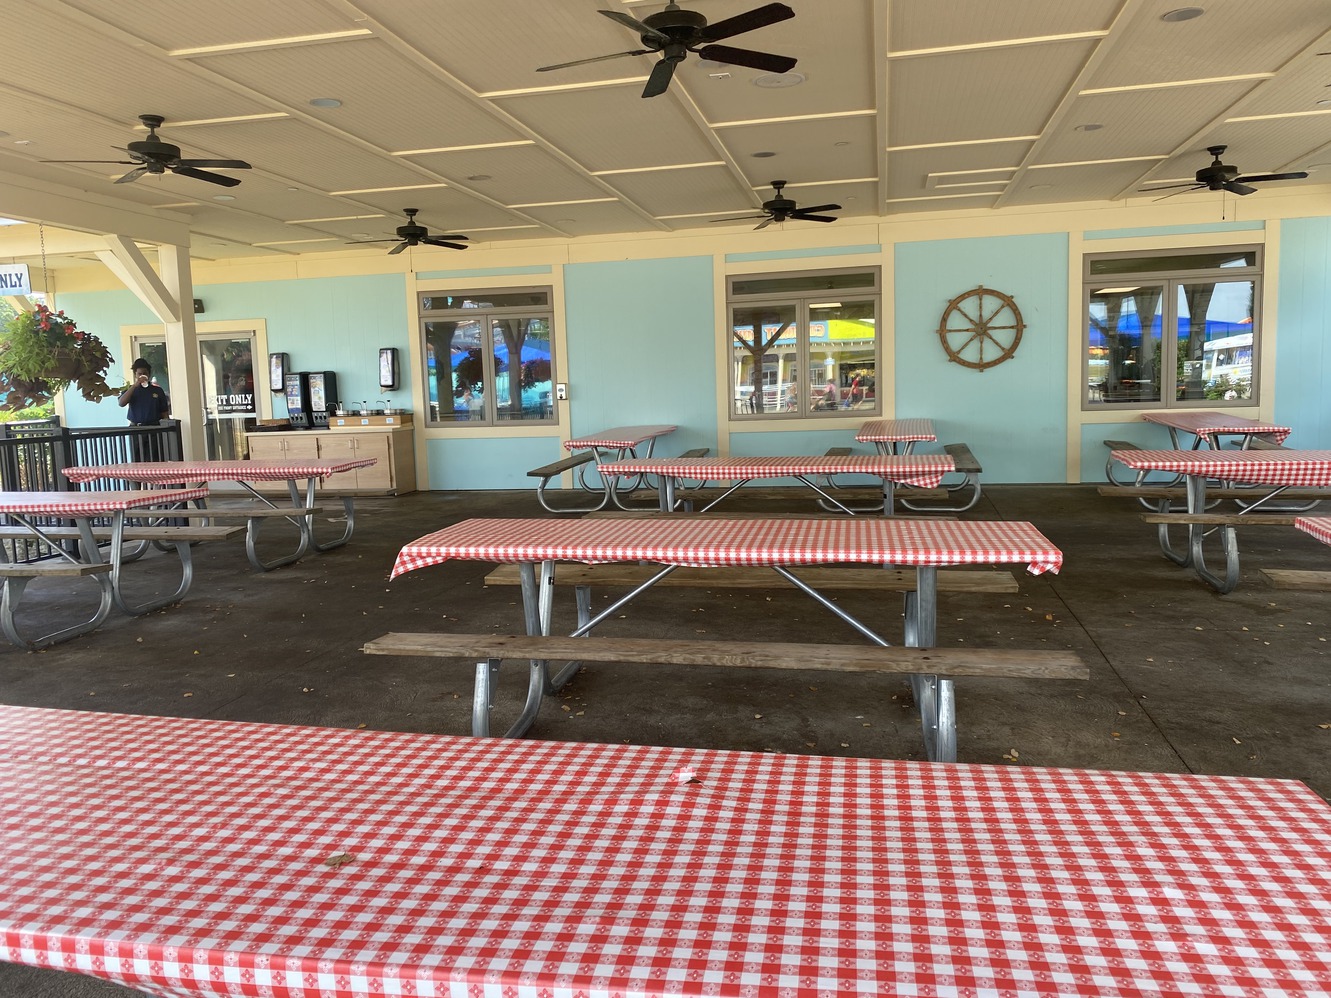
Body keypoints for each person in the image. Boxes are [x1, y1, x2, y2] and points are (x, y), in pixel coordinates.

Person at [118, 358, 170, 425]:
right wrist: (134, 386)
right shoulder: (130, 389)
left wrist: (167, 429)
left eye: (145, 373)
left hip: (154, 428)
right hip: (136, 428)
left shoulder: (157, 390)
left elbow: (164, 413)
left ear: (149, 374)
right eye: (139, 374)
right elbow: (121, 403)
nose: (142, 376)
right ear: (135, 375)